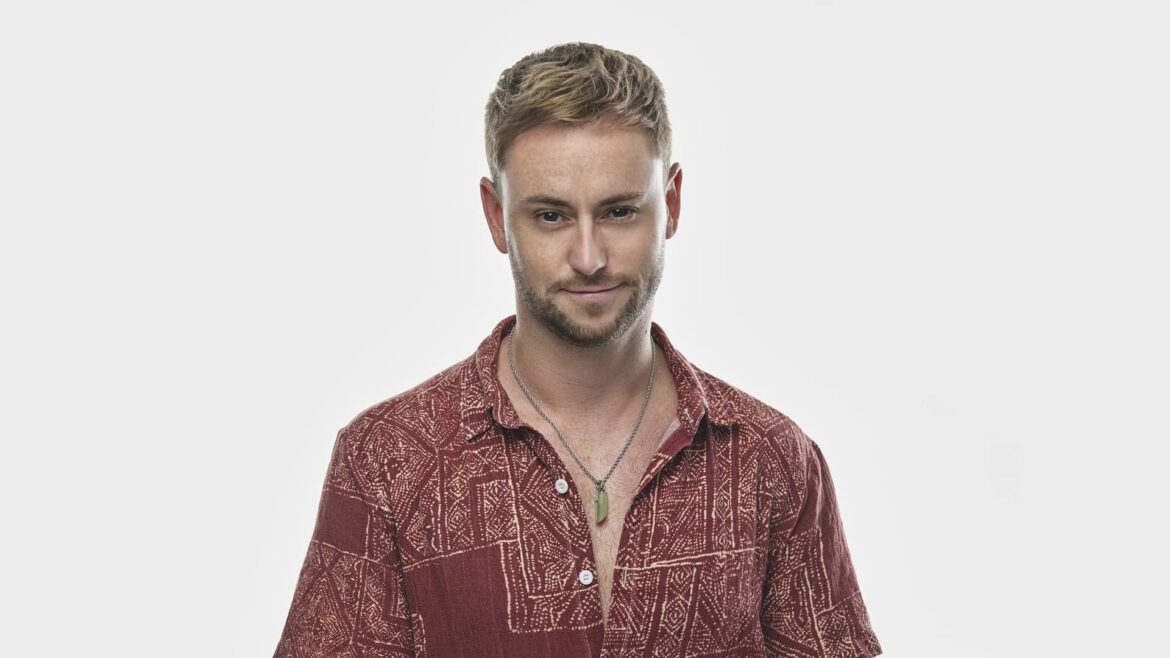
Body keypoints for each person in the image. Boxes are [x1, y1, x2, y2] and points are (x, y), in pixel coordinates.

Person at [274, 42, 881, 658]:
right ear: (496, 216)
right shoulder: (386, 460)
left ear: (669, 204)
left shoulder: (772, 459)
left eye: (619, 211)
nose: (589, 258)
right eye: (551, 217)